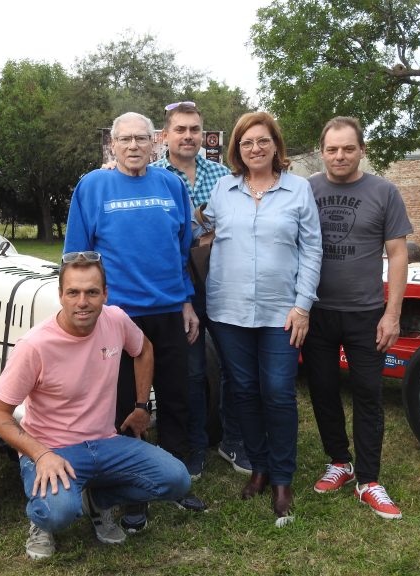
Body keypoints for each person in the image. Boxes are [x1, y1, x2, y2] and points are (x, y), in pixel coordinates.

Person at [0, 251, 190, 560]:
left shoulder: (116, 319)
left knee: (177, 479)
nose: (83, 301)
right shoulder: (34, 346)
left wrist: (140, 405)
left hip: (104, 442)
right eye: (74, 292)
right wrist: (41, 455)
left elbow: (144, 349)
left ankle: (97, 500)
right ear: (61, 295)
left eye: (92, 292)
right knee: (58, 512)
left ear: (104, 294)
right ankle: (41, 521)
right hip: (52, 448)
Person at [64, 111, 205, 533]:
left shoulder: (171, 185)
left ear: (155, 143)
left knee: (177, 396)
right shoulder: (92, 186)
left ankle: (175, 481)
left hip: (166, 310)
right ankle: (130, 492)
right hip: (118, 316)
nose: (132, 147)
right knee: (124, 405)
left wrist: (185, 303)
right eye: (124, 140)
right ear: (112, 144)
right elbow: (77, 257)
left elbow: (181, 252)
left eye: (141, 139)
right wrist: (87, 313)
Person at [201, 111, 322, 526]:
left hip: (281, 312)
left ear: (275, 145)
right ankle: (259, 466)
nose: (255, 148)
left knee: (278, 391)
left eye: (262, 141)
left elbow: (312, 250)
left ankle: (283, 477)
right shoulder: (222, 189)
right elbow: (198, 229)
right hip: (228, 311)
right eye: (247, 142)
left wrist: (303, 304)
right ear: (237, 149)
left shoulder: (298, 190)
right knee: (244, 390)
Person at [302, 116, 412, 520]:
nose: (340, 156)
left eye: (348, 148)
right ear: (322, 151)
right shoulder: (306, 189)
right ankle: (340, 462)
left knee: (368, 394)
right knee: (324, 390)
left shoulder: (384, 191)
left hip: (367, 313)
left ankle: (369, 480)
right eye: (332, 149)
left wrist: (392, 313)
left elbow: (398, 254)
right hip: (316, 311)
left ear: (361, 149)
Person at [153, 101, 251, 478]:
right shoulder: (153, 175)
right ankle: (193, 446)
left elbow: (233, 227)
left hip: (223, 282)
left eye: (195, 129)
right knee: (191, 371)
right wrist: (204, 232)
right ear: (166, 135)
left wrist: (205, 232)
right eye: (181, 129)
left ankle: (232, 440)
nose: (189, 136)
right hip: (179, 286)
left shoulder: (223, 176)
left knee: (232, 365)